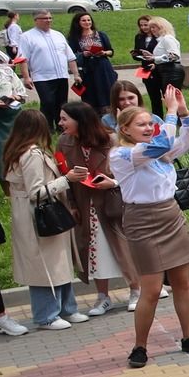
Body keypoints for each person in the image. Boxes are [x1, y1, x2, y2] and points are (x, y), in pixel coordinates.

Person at [112, 89, 189, 367]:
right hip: (142, 221)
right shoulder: (123, 154)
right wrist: (168, 112)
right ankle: (140, 346)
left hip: (171, 216)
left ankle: (188, 336)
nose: (148, 128)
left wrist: (183, 111)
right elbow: (163, 140)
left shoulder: (158, 150)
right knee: (151, 290)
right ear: (125, 129)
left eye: (150, 124)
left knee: (182, 282)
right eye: (141, 124)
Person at [1, 109, 82, 329]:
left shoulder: (20, 151)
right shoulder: (31, 155)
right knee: (45, 266)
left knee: (58, 262)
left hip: (41, 214)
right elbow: (36, 192)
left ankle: (66, 308)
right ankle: (47, 315)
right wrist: (67, 179)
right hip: (39, 216)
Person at [57, 101, 130, 317]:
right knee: (94, 250)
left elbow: (127, 170)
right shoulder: (64, 142)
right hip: (84, 204)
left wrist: (112, 182)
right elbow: (63, 175)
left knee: (122, 245)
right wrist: (71, 204)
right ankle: (103, 296)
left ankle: (135, 289)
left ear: (80, 120)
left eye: (64, 119)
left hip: (111, 201)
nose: (60, 123)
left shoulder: (110, 140)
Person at [18, 11, 77, 129]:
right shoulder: (27, 37)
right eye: (44, 18)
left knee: (61, 103)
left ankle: (61, 127)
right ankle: (46, 127)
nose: (48, 20)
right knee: (48, 102)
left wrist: (76, 74)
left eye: (50, 18)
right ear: (36, 20)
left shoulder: (58, 35)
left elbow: (70, 57)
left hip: (61, 75)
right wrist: (26, 77)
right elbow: (22, 59)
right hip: (42, 77)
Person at [0, 40, 27, 182]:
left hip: (12, 115)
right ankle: (7, 187)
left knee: (20, 149)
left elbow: (21, 91)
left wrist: (16, 96)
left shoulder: (5, 70)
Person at [67, 12, 116, 114]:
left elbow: (111, 51)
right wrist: (83, 54)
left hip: (103, 68)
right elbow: (71, 55)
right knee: (90, 94)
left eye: (89, 20)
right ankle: (92, 117)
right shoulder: (74, 38)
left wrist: (104, 52)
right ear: (78, 22)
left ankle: (109, 116)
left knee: (107, 92)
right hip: (87, 69)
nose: (87, 22)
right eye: (84, 20)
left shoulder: (101, 35)